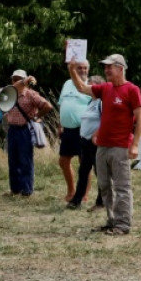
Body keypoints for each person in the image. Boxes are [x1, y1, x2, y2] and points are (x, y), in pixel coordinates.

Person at [69, 54, 141, 236]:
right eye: (105, 67)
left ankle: (123, 223)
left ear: (121, 68)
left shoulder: (132, 90)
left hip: (120, 146)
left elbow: (140, 118)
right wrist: (72, 70)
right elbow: (81, 87)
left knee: (121, 186)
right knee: (104, 185)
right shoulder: (106, 89)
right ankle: (111, 221)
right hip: (102, 147)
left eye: (110, 67)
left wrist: (134, 145)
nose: (106, 70)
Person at [5, 69, 53, 196]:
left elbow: (47, 105)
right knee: (13, 160)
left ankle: (27, 189)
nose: (16, 81)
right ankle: (15, 189)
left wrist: (36, 117)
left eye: (19, 79)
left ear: (25, 81)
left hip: (24, 130)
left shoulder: (30, 94)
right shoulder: (9, 94)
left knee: (25, 160)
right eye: (14, 79)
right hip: (12, 129)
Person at [67, 75, 106, 211]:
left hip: (95, 143)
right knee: (83, 171)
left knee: (99, 172)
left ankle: (101, 202)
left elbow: (105, 122)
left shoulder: (101, 102)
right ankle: (77, 200)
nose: (88, 87)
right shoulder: (91, 102)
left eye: (91, 84)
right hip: (85, 142)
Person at [58, 59, 92, 203]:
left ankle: (83, 193)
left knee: (84, 162)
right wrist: (60, 124)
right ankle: (71, 190)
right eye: (79, 67)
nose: (82, 70)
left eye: (85, 68)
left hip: (83, 128)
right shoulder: (66, 83)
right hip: (68, 129)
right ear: (73, 68)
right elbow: (62, 103)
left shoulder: (91, 85)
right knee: (63, 160)